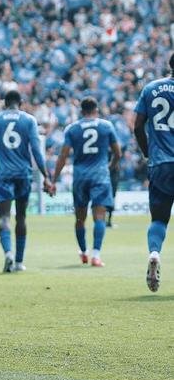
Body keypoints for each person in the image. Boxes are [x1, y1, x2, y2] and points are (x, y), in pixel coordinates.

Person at [0, 90, 52, 272]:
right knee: (21, 217)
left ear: (5, 103)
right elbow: (36, 150)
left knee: (4, 217)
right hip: (23, 174)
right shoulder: (29, 120)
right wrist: (46, 176)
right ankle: (19, 262)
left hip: (3, 174)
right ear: (20, 103)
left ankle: (8, 253)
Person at [51, 97, 121, 267]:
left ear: (81, 112)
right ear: (96, 110)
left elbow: (63, 155)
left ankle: (83, 252)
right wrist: (109, 167)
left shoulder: (72, 129)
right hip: (100, 176)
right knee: (100, 217)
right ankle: (96, 255)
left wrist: (54, 180)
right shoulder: (106, 126)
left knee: (80, 218)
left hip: (80, 178)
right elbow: (118, 153)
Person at [133, 53, 174, 292]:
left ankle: (155, 252)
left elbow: (137, 126)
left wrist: (148, 153)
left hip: (160, 163)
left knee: (159, 219)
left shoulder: (151, 88)